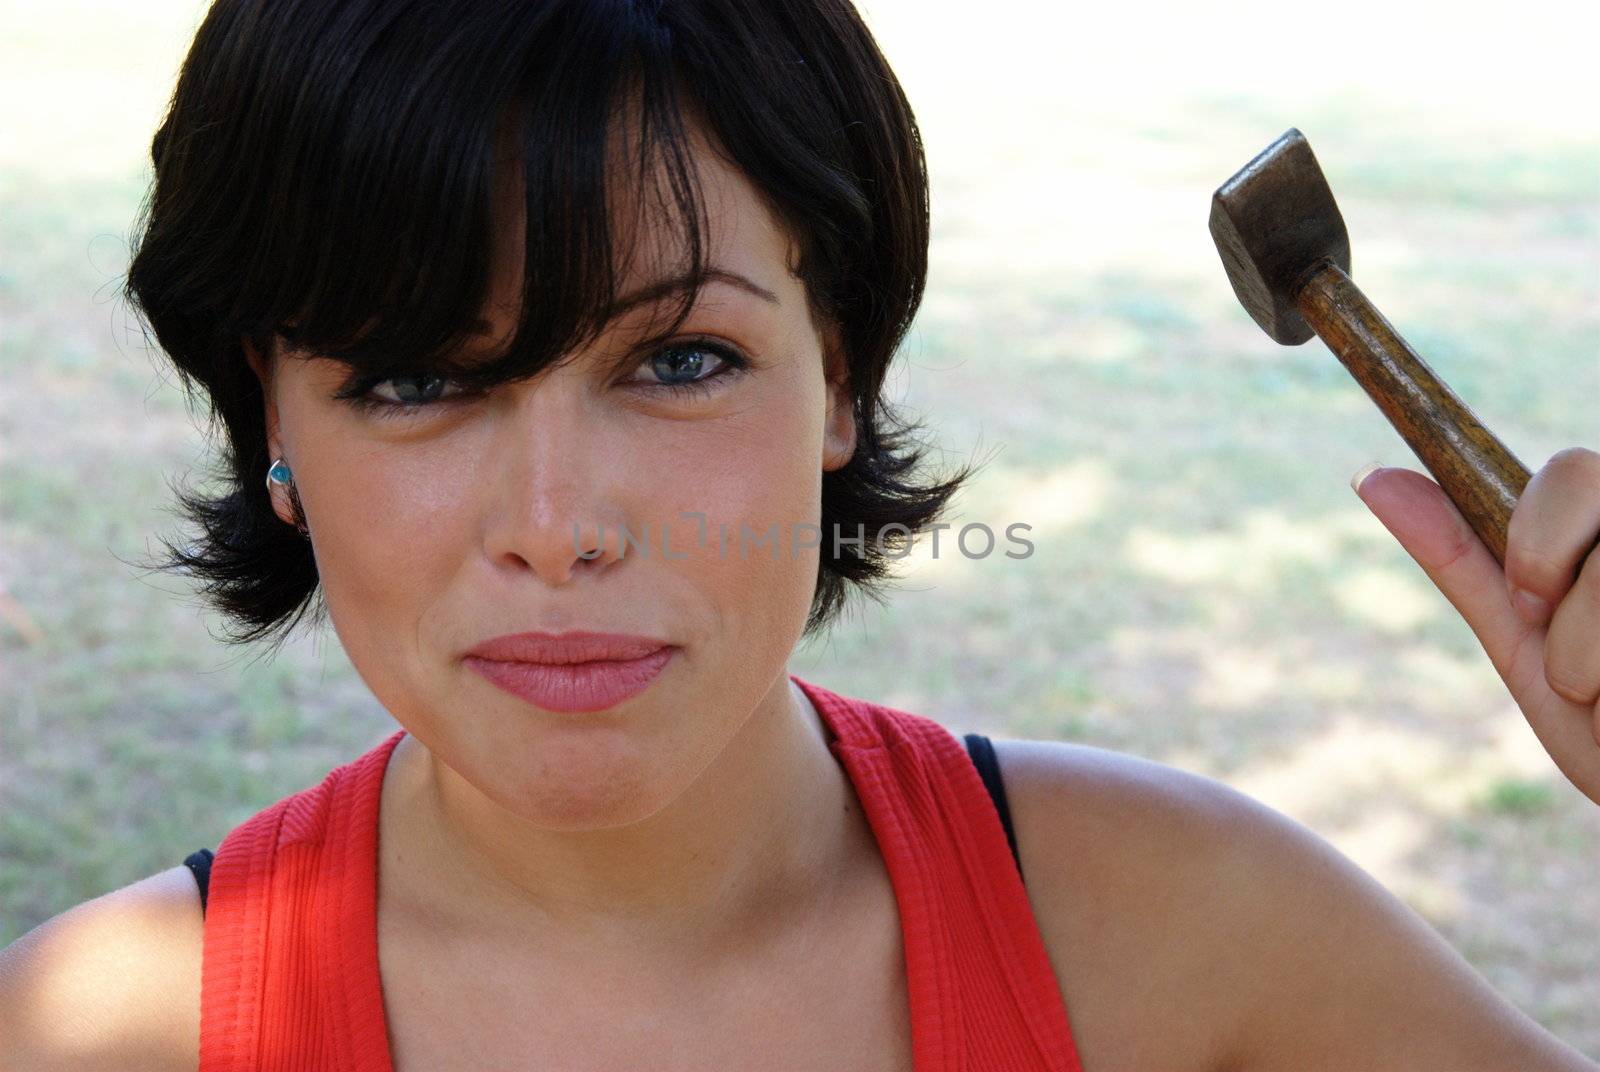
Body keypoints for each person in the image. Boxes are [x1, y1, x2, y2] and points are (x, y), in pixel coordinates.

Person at [2, 1, 1596, 1069]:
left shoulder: (1186, 932)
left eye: (679, 360)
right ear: (268, 421)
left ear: (841, 375)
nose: (557, 529)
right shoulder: (103, 1034)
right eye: (416, 378)